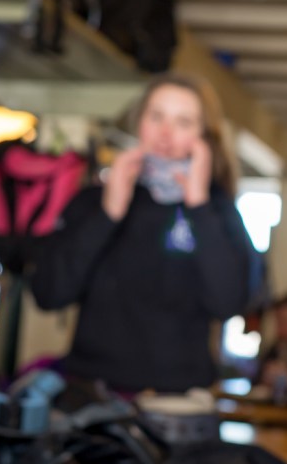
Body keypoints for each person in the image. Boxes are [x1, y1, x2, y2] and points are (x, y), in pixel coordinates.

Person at [30, 72, 258, 394]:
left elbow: (228, 304)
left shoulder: (217, 211)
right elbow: (48, 293)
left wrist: (198, 204)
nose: (165, 134)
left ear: (203, 137)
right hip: (90, 394)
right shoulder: (94, 201)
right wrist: (109, 213)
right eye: (156, 117)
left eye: (183, 122)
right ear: (139, 123)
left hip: (176, 404)